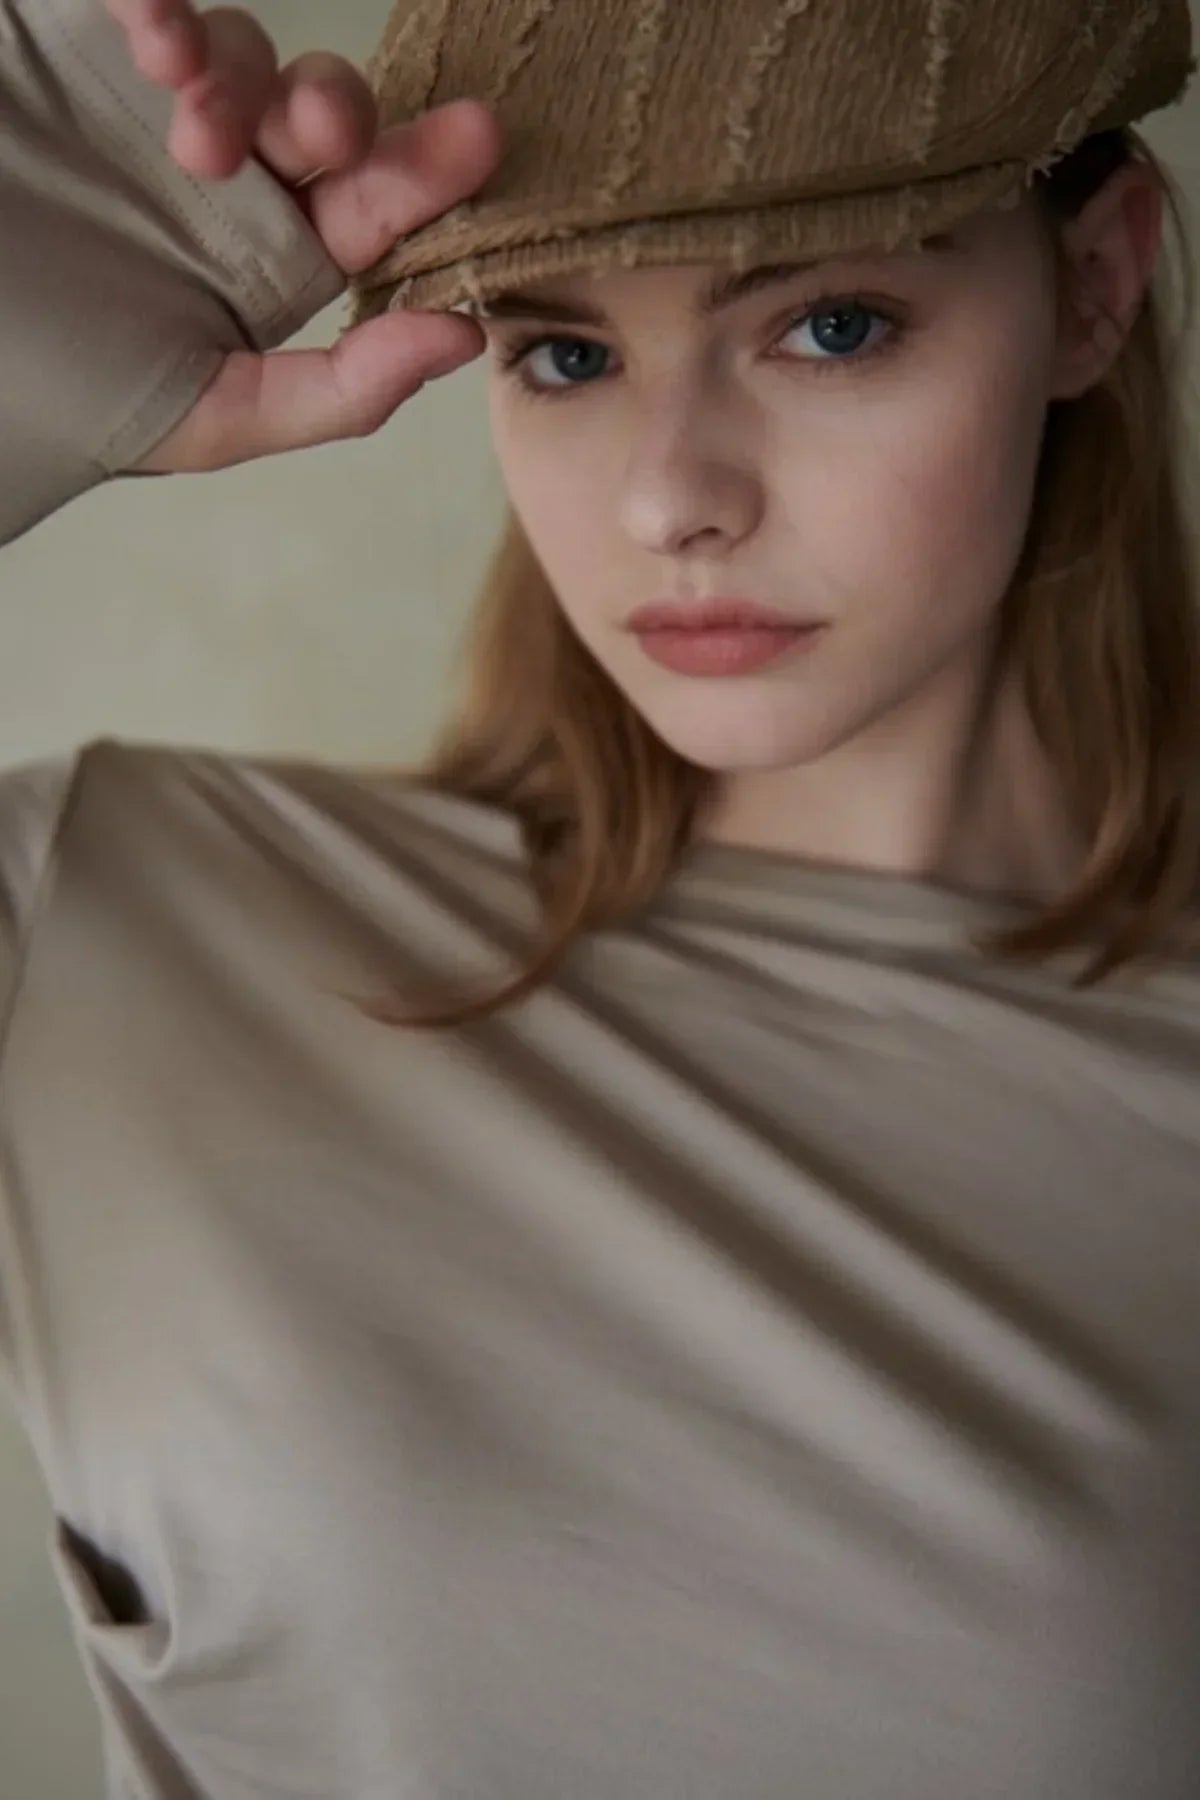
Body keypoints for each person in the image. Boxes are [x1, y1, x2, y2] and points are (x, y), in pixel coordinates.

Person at [1, 0, 1198, 1794]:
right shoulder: (115, 920)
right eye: (561, 355)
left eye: (829, 324)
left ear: (1097, 284)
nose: (668, 499)